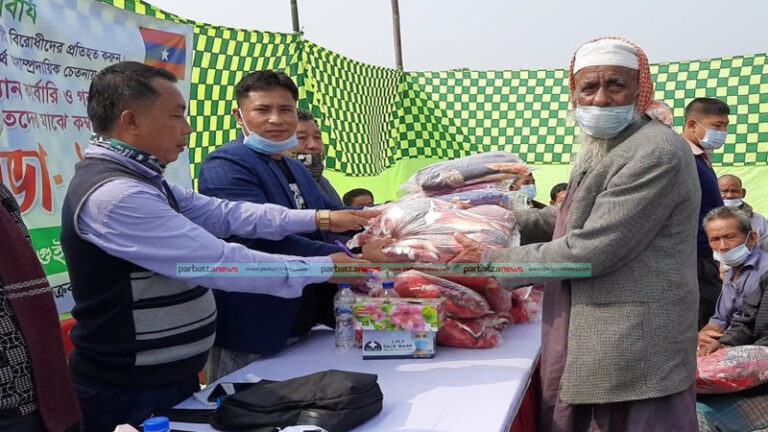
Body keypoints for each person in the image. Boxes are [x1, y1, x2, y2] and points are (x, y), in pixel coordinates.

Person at [61, 61, 375, 431]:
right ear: (131, 121)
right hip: (127, 388)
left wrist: (324, 219)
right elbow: (219, 262)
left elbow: (227, 213)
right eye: (176, 116)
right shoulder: (118, 196)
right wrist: (326, 267)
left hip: (165, 377)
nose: (187, 128)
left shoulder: (147, 181)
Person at [448, 37, 700, 431]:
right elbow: (573, 215)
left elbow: (592, 250)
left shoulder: (655, 151)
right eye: (589, 87)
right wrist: (497, 218)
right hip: (597, 326)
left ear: (640, 90)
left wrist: (492, 261)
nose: (600, 99)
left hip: (632, 338)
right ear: (574, 94)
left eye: (615, 85)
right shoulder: (610, 144)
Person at [197, 71, 376, 382]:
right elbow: (257, 240)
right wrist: (350, 258)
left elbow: (331, 215)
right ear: (239, 115)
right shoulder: (226, 164)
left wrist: (388, 217)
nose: (276, 119)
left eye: (285, 109)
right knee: (242, 405)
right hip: (253, 326)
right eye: (263, 110)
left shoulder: (294, 165)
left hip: (302, 321)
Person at [0, 183, 82, 432]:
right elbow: (178, 265)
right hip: (12, 399)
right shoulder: (118, 194)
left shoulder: (165, 191)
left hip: (33, 388)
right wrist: (191, 269)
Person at [682, 97, 729, 329]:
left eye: (725, 126)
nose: (723, 132)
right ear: (692, 125)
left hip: (707, 257)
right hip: (693, 260)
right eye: (717, 126)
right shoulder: (682, 158)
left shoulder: (701, 157)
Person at [697, 206, 768, 353]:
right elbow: (719, 321)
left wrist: (726, 346)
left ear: (752, 237)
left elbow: (755, 327)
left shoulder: (764, 271)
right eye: (715, 239)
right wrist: (703, 336)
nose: (722, 246)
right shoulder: (730, 275)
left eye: (730, 237)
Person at [293, 110, 344, 207]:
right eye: (301, 137)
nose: (313, 145)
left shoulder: (322, 182)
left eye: (317, 137)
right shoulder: (273, 182)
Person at [718, 174, 768, 252]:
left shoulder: (759, 220)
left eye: (734, 191)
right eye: (724, 191)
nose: (729, 195)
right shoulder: (705, 219)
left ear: (743, 193)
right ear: (715, 193)